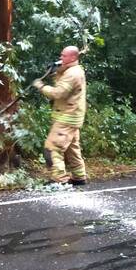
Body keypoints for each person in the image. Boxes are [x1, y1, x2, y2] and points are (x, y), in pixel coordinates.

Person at [32, 46, 87, 185]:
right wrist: (56, 71)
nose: (60, 58)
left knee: (52, 148)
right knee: (71, 149)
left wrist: (41, 86)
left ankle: (59, 180)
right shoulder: (71, 70)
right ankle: (79, 177)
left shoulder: (73, 74)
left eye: (64, 56)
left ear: (73, 57)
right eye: (61, 55)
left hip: (67, 117)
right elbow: (63, 84)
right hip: (72, 116)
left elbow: (58, 93)